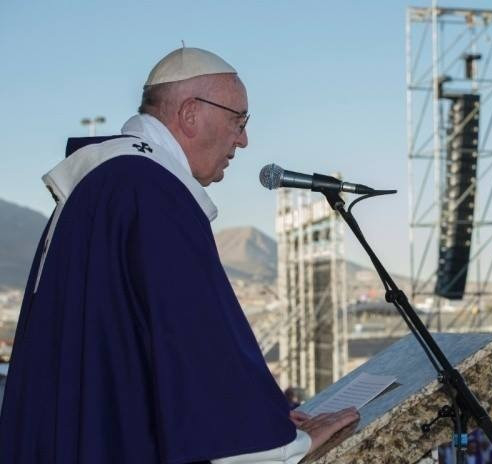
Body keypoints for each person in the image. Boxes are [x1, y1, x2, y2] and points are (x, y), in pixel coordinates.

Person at [0, 46, 358, 463]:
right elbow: (195, 341)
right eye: (239, 121)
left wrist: (270, 413)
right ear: (190, 113)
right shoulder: (150, 190)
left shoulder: (109, 182)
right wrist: (277, 441)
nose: (243, 140)